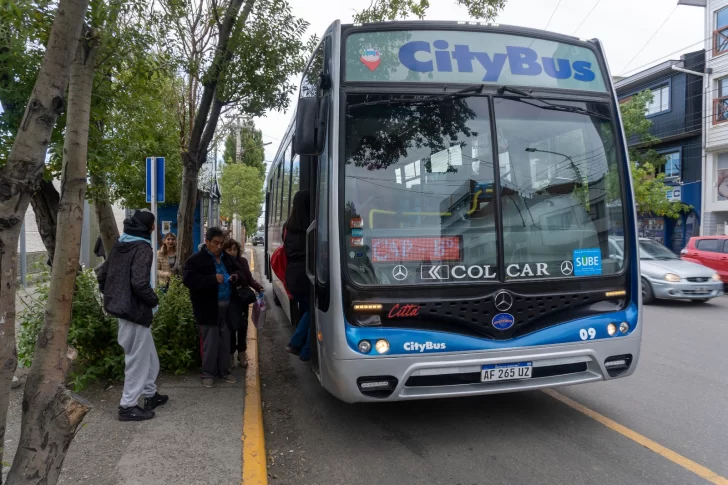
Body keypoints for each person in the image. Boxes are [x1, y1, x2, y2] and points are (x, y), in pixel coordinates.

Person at [97, 209, 168, 422]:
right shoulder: (143, 247)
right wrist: (154, 301)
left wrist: (114, 296)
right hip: (136, 311)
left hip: (123, 309)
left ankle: (150, 394)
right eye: (153, 224)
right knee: (137, 359)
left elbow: (102, 274)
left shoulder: (121, 243)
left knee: (148, 356)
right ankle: (127, 406)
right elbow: (139, 282)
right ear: (150, 227)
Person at [183, 227, 244, 387]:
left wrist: (235, 276)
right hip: (208, 307)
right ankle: (208, 373)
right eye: (215, 243)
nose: (218, 247)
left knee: (226, 341)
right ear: (207, 241)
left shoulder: (227, 258)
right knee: (211, 342)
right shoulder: (196, 260)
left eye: (221, 243)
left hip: (227, 306)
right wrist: (211, 279)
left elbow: (239, 271)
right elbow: (189, 280)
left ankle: (224, 371)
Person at [222, 239, 263, 368]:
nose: (232, 252)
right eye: (229, 249)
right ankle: (230, 356)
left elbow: (249, 279)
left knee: (243, 327)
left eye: (235, 249)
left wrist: (259, 287)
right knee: (231, 328)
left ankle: (241, 354)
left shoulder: (243, 261)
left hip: (242, 299)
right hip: (230, 300)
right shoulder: (222, 263)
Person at [284, 190, 312, 361]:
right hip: (305, 274)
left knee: (309, 309)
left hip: (292, 274)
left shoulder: (287, 226)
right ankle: (303, 349)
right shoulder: (311, 226)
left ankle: (298, 345)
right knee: (314, 311)